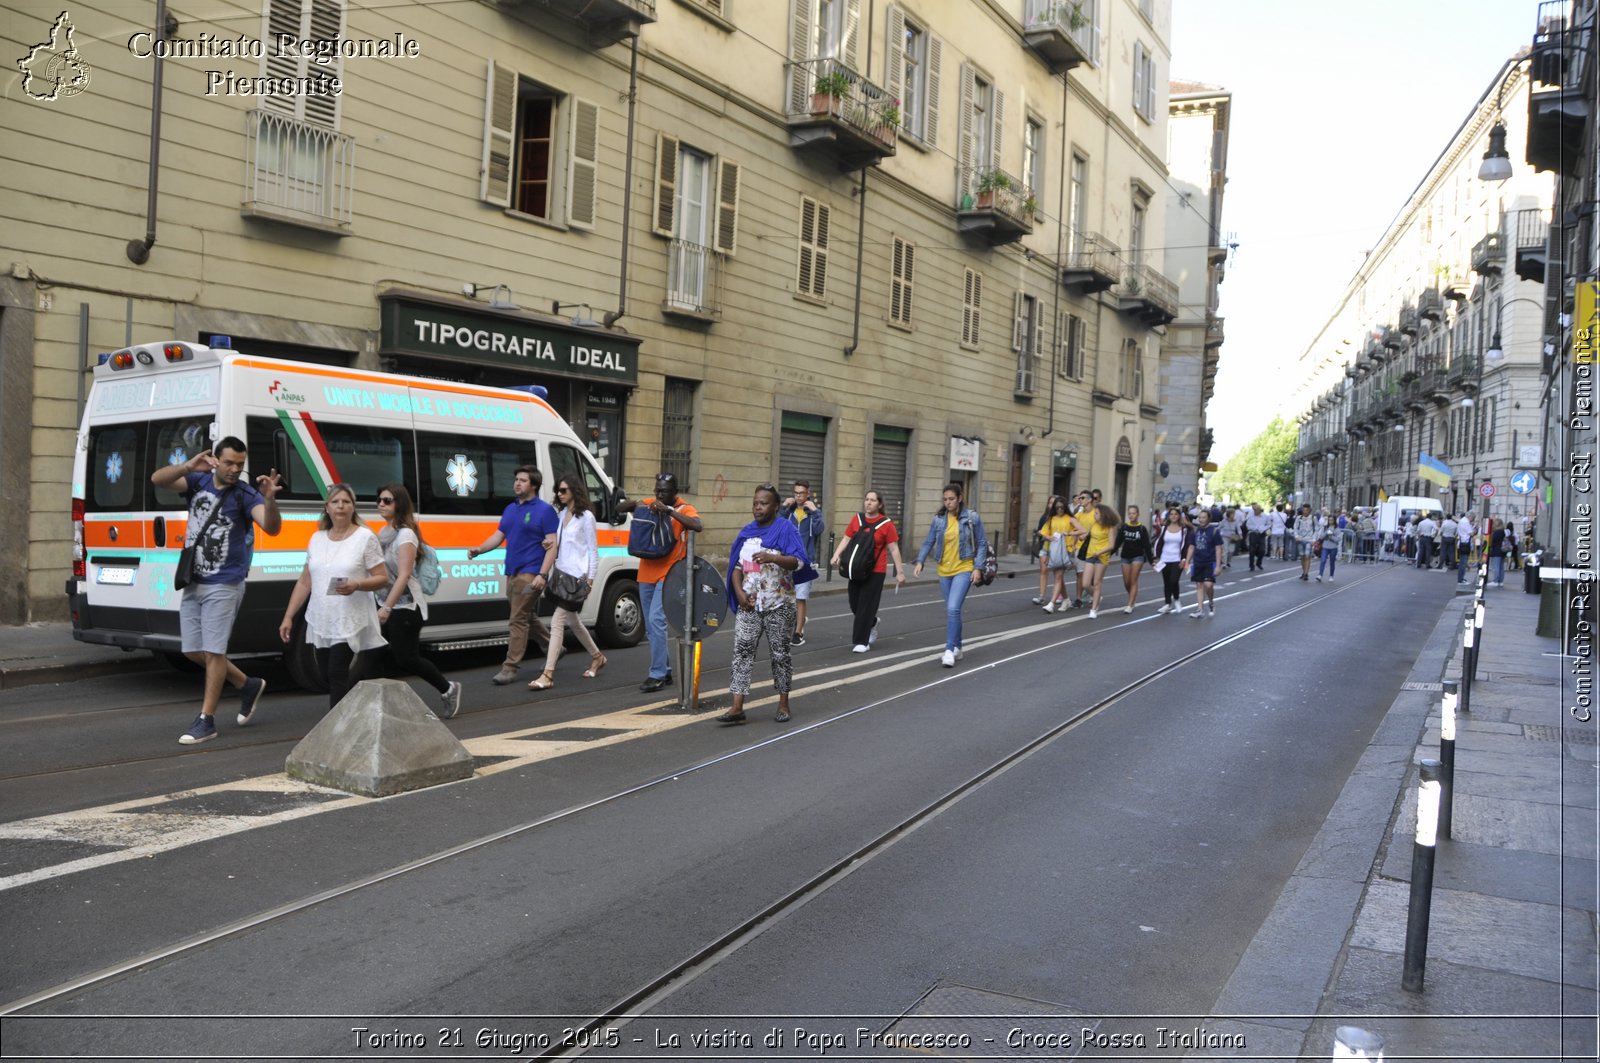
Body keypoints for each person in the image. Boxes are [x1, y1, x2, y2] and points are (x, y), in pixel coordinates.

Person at [153, 438, 282, 745]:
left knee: (214, 652)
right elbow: (157, 479)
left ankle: (206, 720)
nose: (235, 469)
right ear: (216, 460)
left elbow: (272, 527)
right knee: (191, 650)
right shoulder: (197, 481)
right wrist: (187, 465)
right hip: (194, 580)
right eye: (229, 463)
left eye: (240, 464)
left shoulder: (246, 494)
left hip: (225, 582)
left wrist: (270, 500)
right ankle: (246, 684)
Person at [278, 483, 388, 710]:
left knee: (336, 673)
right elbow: (305, 581)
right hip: (322, 617)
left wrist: (357, 584)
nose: (341, 506)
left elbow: (381, 577)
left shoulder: (365, 538)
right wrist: (288, 616)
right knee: (326, 675)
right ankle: (355, 714)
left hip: (350, 617)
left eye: (346, 502)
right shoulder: (316, 539)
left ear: (352, 508)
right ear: (327, 507)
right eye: (336, 502)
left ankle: (337, 732)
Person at [718, 484, 815, 725]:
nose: (757, 507)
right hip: (749, 606)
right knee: (741, 653)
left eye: (763, 503)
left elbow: (799, 562)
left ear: (774, 506)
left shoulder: (785, 529)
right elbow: (737, 568)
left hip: (778, 605)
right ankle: (737, 707)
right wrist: (739, 593)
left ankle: (783, 703)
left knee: (780, 655)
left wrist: (773, 557)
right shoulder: (747, 532)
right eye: (755, 503)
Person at [468, 466, 560, 686]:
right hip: (511, 571)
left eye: (523, 480)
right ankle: (552, 645)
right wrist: (479, 549)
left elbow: (552, 546)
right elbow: (499, 536)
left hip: (531, 572)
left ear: (534, 485)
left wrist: (542, 574)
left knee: (517, 619)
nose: (517, 483)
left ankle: (510, 667)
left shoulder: (545, 511)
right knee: (524, 614)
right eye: (516, 479)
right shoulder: (510, 509)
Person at [374, 484, 461, 718]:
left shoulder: (406, 535)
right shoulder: (383, 534)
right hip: (383, 601)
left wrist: (387, 608)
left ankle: (447, 688)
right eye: (379, 500)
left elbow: (403, 575)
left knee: (407, 658)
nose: (381, 504)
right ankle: (378, 707)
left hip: (406, 606)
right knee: (372, 655)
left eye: (387, 500)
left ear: (399, 504)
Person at [624, 473, 703, 693]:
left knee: (656, 619)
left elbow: (697, 525)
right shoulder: (651, 503)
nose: (659, 494)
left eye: (664, 491)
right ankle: (665, 670)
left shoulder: (683, 508)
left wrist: (669, 511)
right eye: (657, 490)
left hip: (668, 573)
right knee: (650, 626)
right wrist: (635, 503)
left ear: (674, 492)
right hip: (646, 572)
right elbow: (620, 509)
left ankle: (657, 674)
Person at [527, 476, 607, 690]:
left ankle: (548, 674)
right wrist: (549, 544)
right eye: (558, 491)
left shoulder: (586, 517)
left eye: (563, 490)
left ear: (574, 491)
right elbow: (560, 546)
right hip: (562, 575)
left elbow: (593, 551)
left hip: (577, 578)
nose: (560, 495)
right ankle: (598, 657)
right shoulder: (562, 515)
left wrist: (590, 580)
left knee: (557, 621)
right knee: (573, 622)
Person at [913, 482, 989, 668]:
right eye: (945, 499)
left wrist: (978, 568)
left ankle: (949, 650)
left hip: (964, 568)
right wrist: (920, 561)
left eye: (951, 499)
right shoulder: (939, 519)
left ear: (960, 498)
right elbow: (928, 541)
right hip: (944, 571)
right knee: (952, 610)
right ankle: (959, 647)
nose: (948, 502)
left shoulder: (971, 518)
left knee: (953, 608)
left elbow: (982, 543)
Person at [829, 489, 905, 652]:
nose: (868, 503)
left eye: (872, 500)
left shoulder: (887, 524)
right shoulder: (856, 519)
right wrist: (836, 554)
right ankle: (872, 622)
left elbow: (894, 549)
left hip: (876, 571)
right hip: (857, 568)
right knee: (854, 604)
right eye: (867, 499)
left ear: (880, 504)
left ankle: (862, 642)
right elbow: (846, 538)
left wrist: (900, 572)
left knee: (865, 606)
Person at [779, 480, 826, 646]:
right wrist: (784, 507)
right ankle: (798, 621)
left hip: (806, 562)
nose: (798, 496)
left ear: (808, 494)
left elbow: (819, 529)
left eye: (801, 493)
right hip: (787, 561)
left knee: (800, 598)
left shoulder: (811, 513)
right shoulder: (789, 512)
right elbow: (777, 525)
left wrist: (815, 512)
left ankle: (798, 633)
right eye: (796, 493)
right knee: (786, 599)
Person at [1069, 503, 1121, 618]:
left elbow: (1112, 545)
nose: (1094, 515)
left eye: (1096, 514)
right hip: (1090, 555)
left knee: (1097, 582)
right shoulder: (1094, 524)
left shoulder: (1110, 527)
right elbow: (1089, 534)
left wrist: (1099, 552)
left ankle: (1094, 609)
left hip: (1101, 557)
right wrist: (1083, 536)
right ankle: (1097, 596)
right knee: (1086, 583)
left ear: (1103, 515)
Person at [1039, 495, 1078, 612]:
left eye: (1061, 507)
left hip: (1066, 551)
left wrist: (1069, 534)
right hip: (1054, 551)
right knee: (1059, 578)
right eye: (1057, 507)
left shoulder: (1070, 519)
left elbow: (1082, 530)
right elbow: (1042, 531)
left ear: (1065, 507)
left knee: (1058, 577)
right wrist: (1048, 537)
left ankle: (1051, 604)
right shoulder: (1051, 519)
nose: (1059, 509)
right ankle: (1066, 599)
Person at [1113, 505, 1154, 613]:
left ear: (1138, 514)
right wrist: (1108, 554)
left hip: (1138, 556)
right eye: (1129, 513)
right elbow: (1117, 543)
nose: (1131, 515)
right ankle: (1132, 597)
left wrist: (1151, 560)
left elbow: (1147, 546)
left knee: (1133, 580)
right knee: (1127, 582)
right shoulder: (1124, 527)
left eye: (1133, 513)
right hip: (1125, 556)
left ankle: (1130, 604)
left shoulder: (1142, 529)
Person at [1187, 509, 1226, 618]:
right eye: (1200, 518)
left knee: (1208, 585)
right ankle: (1200, 609)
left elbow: (1218, 549)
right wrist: (1187, 560)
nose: (1201, 520)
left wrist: (1218, 566)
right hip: (1198, 562)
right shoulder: (1195, 531)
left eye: (1204, 517)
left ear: (1209, 518)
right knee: (1199, 585)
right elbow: (1191, 546)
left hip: (1210, 562)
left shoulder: (1214, 532)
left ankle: (1211, 601)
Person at [1152, 510, 1192, 613]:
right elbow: (1158, 543)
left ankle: (1177, 600)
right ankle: (1167, 603)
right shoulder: (1164, 528)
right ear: (1168, 516)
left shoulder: (1183, 530)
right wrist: (1156, 557)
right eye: (1171, 514)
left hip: (1177, 559)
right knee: (1166, 582)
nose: (1173, 516)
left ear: (1179, 516)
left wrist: (1184, 559)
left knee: (1174, 580)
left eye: (1176, 514)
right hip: (1165, 559)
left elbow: (1186, 545)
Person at [1031, 494, 1062, 605]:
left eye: (1054, 503)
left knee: (1057, 573)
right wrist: (1042, 534)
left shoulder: (1061, 518)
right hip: (1045, 547)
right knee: (1043, 571)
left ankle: (1059, 595)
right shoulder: (1044, 517)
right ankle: (1042, 596)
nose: (1051, 505)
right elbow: (1039, 531)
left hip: (1057, 549)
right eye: (1050, 503)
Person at [1315, 513, 1343, 582]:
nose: (1330, 521)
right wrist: (1326, 533)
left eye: (1332, 520)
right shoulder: (1325, 527)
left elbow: (1338, 539)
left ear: (1334, 520)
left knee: (1332, 561)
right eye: (1329, 520)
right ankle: (1320, 575)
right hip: (1325, 546)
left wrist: (1331, 537)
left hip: (1333, 547)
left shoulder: (1337, 529)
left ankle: (1331, 575)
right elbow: (1321, 537)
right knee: (1323, 560)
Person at [1244, 503, 1271, 571]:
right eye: (1254, 510)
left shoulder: (1265, 516)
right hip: (1253, 533)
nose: (1255, 511)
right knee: (1251, 550)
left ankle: (1259, 563)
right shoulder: (1251, 516)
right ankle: (1251, 565)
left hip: (1262, 534)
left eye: (1256, 510)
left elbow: (1269, 524)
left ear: (1260, 510)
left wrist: (1263, 528)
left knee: (1262, 550)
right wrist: (1255, 528)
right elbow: (1248, 525)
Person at [1294, 504, 1317, 581]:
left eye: (1306, 510)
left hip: (1309, 540)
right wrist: (1296, 536)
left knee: (1307, 556)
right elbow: (1295, 527)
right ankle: (1303, 572)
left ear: (1309, 510)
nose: (1305, 512)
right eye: (1304, 510)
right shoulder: (1299, 518)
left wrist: (1314, 539)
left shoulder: (1313, 518)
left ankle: (1306, 573)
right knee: (1302, 556)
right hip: (1300, 540)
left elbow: (1317, 529)